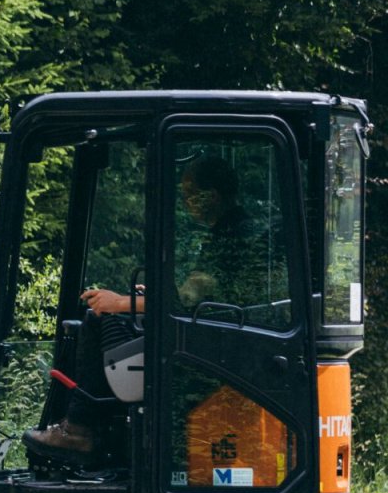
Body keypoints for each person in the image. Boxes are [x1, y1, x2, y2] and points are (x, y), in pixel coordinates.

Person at [27, 155, 263, 461]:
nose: (186, 201)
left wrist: (121, 302)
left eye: (190, 194)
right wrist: (150, 295)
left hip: (211, 346)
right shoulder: (233, 230)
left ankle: (81, 428)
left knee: (101, 318)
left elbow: (192, 301)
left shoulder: (231, 236)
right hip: (214, 336)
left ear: (212, 196)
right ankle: (86, 424)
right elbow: (202, 292)